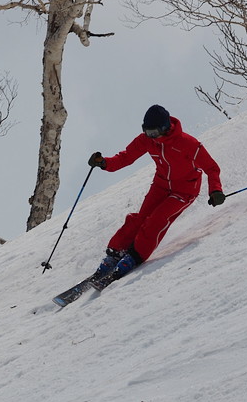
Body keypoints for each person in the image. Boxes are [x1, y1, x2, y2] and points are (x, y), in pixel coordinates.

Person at [87, 104, 225, 286]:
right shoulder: (146, 140)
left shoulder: (188, 144)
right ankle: (115, 254)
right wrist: (104, 163)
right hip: (160, 185)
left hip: (184, 191)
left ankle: (135, 256)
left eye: (154, 132)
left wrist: (215, 190)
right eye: (147, 132)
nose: (151, 137)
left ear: (166, 128)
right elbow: (126, 157)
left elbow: (211, 168)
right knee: (139, 218)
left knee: (156, 220)